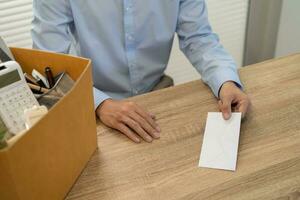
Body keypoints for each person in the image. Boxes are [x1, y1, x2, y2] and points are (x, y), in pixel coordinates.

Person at [31, 0, 251, 143]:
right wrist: (98, 103)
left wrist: (226, 81)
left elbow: (199, 38)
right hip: (93, 101)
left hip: (156, 92)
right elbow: (47, 65)